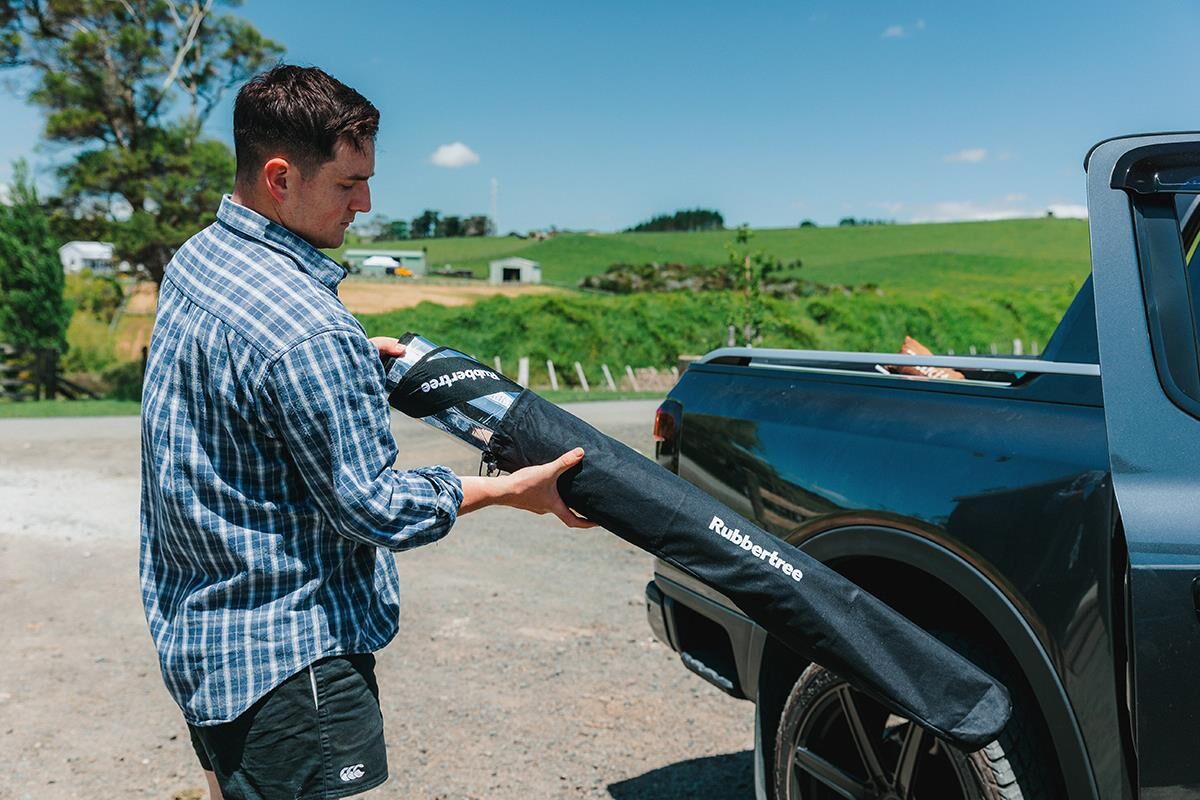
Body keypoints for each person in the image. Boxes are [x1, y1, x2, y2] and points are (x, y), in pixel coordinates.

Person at [138, 64, 592, 800]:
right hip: (290, 659)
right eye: (349, 184)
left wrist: (345, 364)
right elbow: (373, 507)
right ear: (280, 178)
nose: (366, 203)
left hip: (203, 637)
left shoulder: (200, 258)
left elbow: (241, 390)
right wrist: (512, 491)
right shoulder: (306, 330)